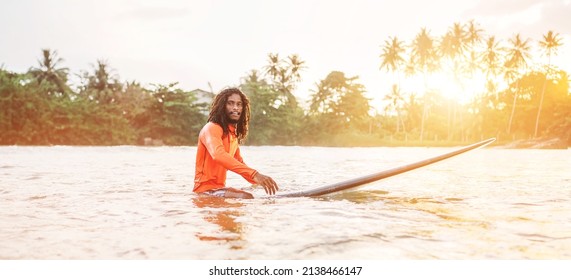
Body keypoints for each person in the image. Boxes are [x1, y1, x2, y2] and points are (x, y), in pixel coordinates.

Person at [193, 87, 279, 199]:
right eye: (230, 103)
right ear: (222, 106)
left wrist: (261, 182)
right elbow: (218, 155)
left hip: (219, 189)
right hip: (204, 191)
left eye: (239, 104)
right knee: (245, 196)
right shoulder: (211, 128)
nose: (235, 108)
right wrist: (255, 174)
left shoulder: (232, 134)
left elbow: (239, 163)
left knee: (251, 193)